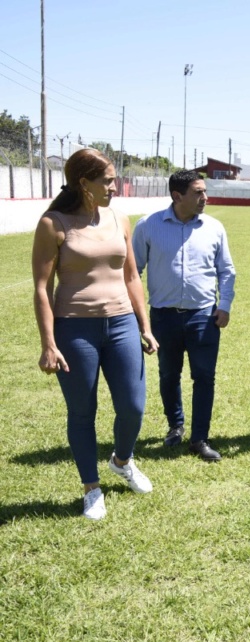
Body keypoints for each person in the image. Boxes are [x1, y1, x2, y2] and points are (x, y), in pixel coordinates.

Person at [31, 148, 158, 520]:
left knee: (133, 407)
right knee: (83, 412)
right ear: (83, 183)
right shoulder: (53, 224)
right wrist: (48, 343)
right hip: (75, 328)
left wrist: (144, 326)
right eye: (107, 180)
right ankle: (91, 487)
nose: (114, 186)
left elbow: (132, 275)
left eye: (114, 179)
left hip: (121, 324)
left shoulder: (121, 218)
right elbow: (42, 287)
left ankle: (122, 460)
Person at [132, 170, 236, 463]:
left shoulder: (214, 228)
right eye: (198, 193)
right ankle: (175, 426)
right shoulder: (148, 226)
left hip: (204, 317)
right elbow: (132, 273)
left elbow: (226, 270)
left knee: (204, 376)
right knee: (168, 374)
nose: (205, 197)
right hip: (163, 317)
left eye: (205, 191)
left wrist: (224, 304)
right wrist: (138, 319)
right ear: (177, 196)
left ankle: (200, 438)